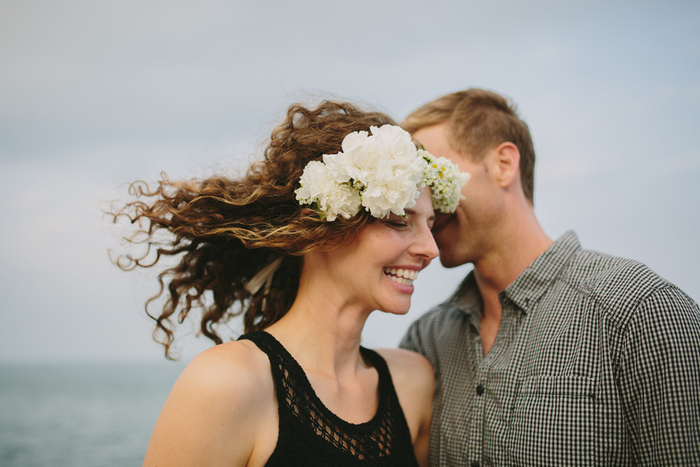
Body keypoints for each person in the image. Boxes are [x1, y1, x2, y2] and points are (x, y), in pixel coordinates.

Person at [111, 101, 471, 467]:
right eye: (399, 220)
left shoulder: (413, 383)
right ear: (321, 227)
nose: (430, 249)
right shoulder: (226, 385)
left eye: (430, 224)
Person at [399, 89, 700, 466]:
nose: (421, 199)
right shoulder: (424, 342)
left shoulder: (641, 310)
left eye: (433, 175)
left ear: (504, 164)